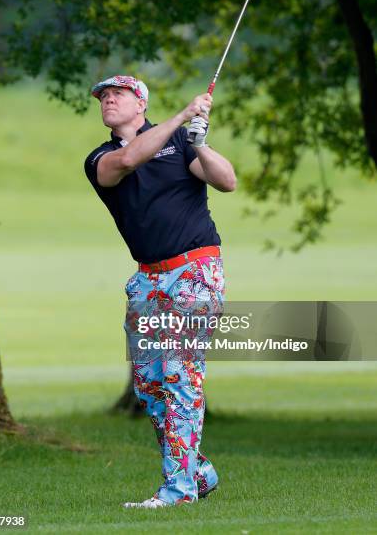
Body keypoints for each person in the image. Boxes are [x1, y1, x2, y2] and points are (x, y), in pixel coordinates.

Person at [84, 75, 236, 508]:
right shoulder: (101, 157)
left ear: (141, 103)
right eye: (103, 97)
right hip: (148, 278)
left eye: (118, 94)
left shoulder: (180, 145)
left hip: (195, 269)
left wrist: (200, 143)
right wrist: (183, 116)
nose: (108, 100)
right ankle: (198, 471)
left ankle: (179, 491)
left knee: (178, 375)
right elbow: (129, 160)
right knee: (149, 384)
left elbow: (227, 182)